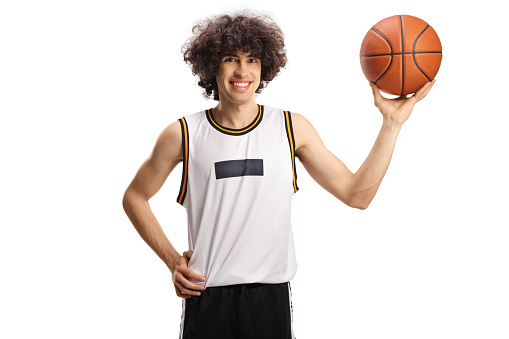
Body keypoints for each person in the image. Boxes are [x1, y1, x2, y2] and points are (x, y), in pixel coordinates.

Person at [122, 11, 435, 339]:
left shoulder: (290, 128)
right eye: (231, 59)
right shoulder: (183, 134)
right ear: (213, 65)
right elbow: (134, 196)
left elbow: (358, 194)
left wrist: (392, 124)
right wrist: (173, 261)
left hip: (268, 299)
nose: (242, 71)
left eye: (253, 60)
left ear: (264, 67)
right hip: (207, 297)